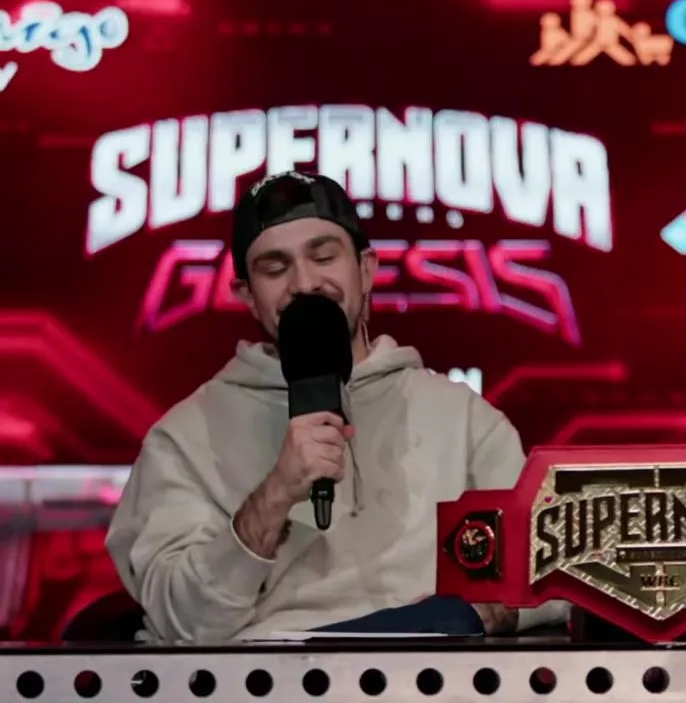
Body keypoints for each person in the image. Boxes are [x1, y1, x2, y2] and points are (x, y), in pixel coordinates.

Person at [106, 171, 567, 641]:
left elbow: (556, 575)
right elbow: (182, 624)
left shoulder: (464, 420)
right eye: (274, 268)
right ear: (247, 295)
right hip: (267, 672)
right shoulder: (184, 437)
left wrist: (470, 616)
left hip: (431, 668)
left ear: (366, 270)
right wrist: (276, 493)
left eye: (324, 256)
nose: (305, 283)